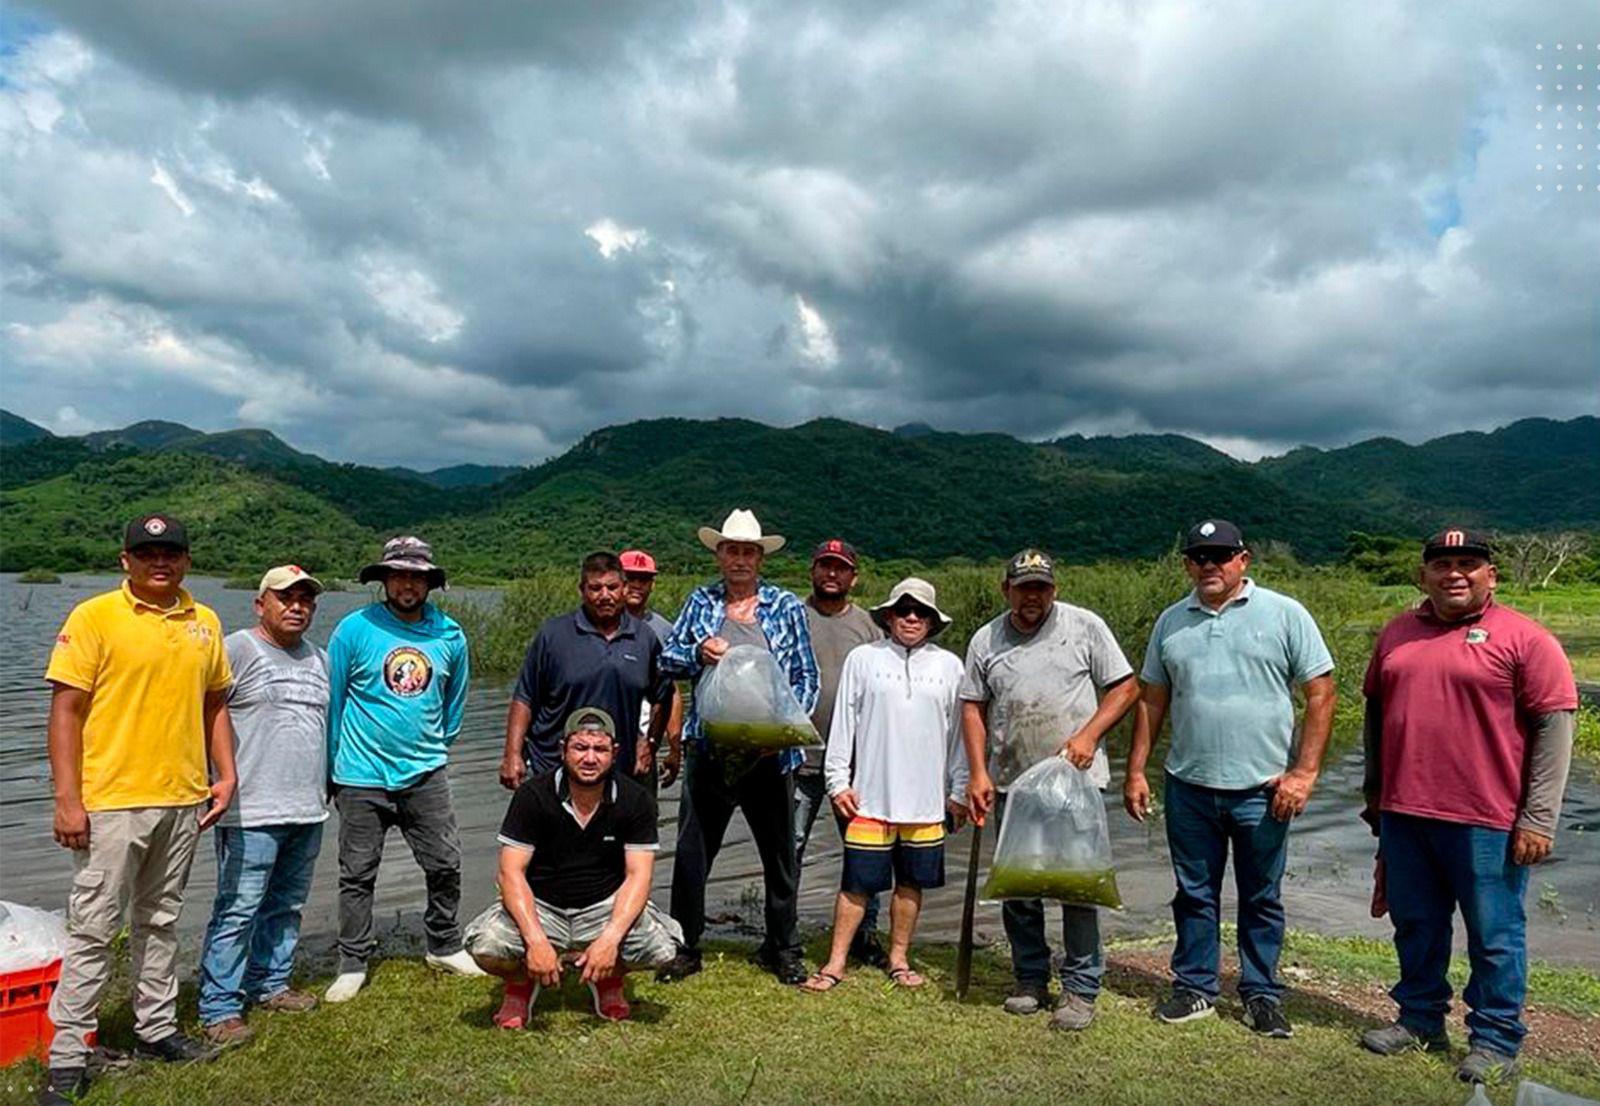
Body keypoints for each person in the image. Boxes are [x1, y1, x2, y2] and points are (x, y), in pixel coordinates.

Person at [1359, 528, 1578, 1085]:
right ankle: (1419, 1020)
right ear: (1423, 574)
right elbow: (1376, 717)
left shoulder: (1525, 640)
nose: (1454, 573)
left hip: (1488, 820)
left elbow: (1555, 729)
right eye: (1442, 564)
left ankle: (1497, 1040)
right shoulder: (1398, 634)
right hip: (1407, 813)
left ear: (1491, 576)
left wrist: (1538, 817)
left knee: (1495, 935)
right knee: (1416, 926)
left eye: (1468, 564)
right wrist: (1375, 795)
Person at [40, 514, 237, 1105]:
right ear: (125, 558)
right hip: (111, 804)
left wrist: (225, 775)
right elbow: (66, 712)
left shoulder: (205, 622)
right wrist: (67, 800)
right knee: (94, 930)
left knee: (160, 921)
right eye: (147, 552)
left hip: (182, 799)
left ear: (186, 560)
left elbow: (214, 706)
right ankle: (68, 1058)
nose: (161, 561)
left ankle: (157, 1029)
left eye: (171, 552)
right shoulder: (94, 617)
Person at [1124, 520, 1336, 1038]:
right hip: (1189, 786)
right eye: (1199, 556)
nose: (1210, 565)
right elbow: (1153, 698)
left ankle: (1262, 994)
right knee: (1194, 892)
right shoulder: (1172, 622)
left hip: (1263, 790)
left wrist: (1304, 773)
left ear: (1244, 559)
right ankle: (1196, 987)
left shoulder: (1285, 614)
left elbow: (1321, 692)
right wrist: (1135, 770)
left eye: (1221, 555)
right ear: (1187, 565)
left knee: (1262, 896)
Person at [961, 548, 1139, 1031]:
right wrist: (977, 772)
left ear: (1054, 590)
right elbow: (973, 707)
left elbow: (1125, 688)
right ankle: (1030, 979)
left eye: (1040, 588)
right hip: (1011, 783)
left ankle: (1081, 989)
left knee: (1076, 886)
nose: (1032, 597)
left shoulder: (1084, 627)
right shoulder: (986, 639)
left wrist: (1088, 734)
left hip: (1075, 783)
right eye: (1023, 588)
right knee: (1020, 887)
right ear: (1007, 591)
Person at [655, 509, 820, 985]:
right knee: (693, 852)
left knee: (780, 855)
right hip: (709, 748)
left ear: (760, 558)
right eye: (732, 551)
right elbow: (668, 662)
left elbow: (807, 677)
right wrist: (695, 653)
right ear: (719, 554)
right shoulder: (700, 601)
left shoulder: (785, 606)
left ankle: (783, 948)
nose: (741, 560)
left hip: (770, 754)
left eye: (749, 552)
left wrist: (785, 730)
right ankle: (684, 945)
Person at [324, 536, 483, 1004]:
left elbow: (455, 706)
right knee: (357, 873)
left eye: (416, 576)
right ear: (384, 580)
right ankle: (352, 961)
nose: (407, 584)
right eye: (399, 575)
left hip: (426, 774)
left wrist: (433, 750)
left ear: (429, 582)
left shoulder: (449, 635)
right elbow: (333, 703)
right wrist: (331, 771)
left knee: (445, 863)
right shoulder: (353, 630)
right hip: (359, 775)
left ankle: (444, 944)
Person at [801, 578, 969, 993]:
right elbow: (844, 723)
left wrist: (959, 791)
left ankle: (898, 958)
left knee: (910, 884)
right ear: (889, 615)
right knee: (856, 883)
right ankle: (835, 962)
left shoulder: (950, 667)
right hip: (869, 797)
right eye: (904, 610)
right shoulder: (864, 658)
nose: (912, 617)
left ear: (932, 621)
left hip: (927, 802)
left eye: (921, 612)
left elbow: (960, 738)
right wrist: (838, 780)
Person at [466, 708, 683, 1028]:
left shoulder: (636, 800)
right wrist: (536, 940)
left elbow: (639, 875)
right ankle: (520, 984)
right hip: (542, 907)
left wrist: (610, 939)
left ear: (615, 753)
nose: (590, 758)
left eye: (600, 749)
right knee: (486, 946)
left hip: (604, 907)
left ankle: (608, 979)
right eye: (580, 748)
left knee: (662, 949)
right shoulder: (532, 796)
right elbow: (510, 873)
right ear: (563, 749)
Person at [197, 566, 333, 1046]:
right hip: (249, 811)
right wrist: (212, 781)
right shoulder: (237, 649)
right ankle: (219, 1007)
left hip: (307, 809)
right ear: (261, 604)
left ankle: (271, 983)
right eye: (286, 598)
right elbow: (203, 714)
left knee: (287, 905)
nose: (297, 607)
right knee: (237, 909)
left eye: (305, 600)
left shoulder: (320, 659)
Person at [499, 552, 674, 790]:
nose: (605, 596)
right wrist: (512, 754)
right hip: (552, 767)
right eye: (595, 588)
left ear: (623, 589)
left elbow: (663, 696)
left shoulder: (644, 638)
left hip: (618, 771)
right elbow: (525, 698)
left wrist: (651, 743)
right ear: (581, 590)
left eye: (612, 587)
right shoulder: (553, 635)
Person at [793, 538, 888, 966]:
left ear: (854, 576)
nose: (832, 574)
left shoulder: (870, 626)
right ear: (812, 570)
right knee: (788, 847)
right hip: (797, 758)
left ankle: (866, 935)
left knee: (864, 851)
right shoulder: (792, 616)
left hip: (855, 765)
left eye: (841, 568)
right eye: (825, 566)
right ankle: (782, 934)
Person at [620, 548, 684, 788]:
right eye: (630, 577)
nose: (636, 585)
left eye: (643, 579)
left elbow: (671, 691)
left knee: (642, 815)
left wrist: (673, 747)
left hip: (645, 745)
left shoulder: (664, 630)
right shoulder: (597, 624)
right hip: (599, 742)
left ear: (652, 584)